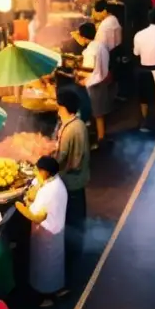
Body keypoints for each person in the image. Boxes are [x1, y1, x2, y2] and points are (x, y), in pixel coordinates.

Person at [14, 156, 68, 305]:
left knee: (45, 266)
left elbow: (36, 214)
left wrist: (24, 204)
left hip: (46, 233)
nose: (36, 173)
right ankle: (57, 288)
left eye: (38, 170)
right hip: (56, 229)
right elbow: (37, 183)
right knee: (56, 263)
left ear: (45, 172)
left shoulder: (49, 192)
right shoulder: (56, 182)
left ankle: (46, 297)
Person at [54, 89, 90, 228]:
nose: (57, 110)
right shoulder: (79, 124)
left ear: (63, 108)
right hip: (80, 179)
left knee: (72, 219)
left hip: (71, 181)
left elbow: (61, 157)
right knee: (79, 214)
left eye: (58, 107)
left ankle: (73, 247)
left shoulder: (69, 129)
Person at [77, 22, 114, 144]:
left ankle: (99, 139)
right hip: (103, 80)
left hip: (93, 84)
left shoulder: (89, 51)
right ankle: (101, 137)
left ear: (83, 37)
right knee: (100, 112)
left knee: (96, 113)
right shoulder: (102, 46)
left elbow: (88, 70)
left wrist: (79, 78)